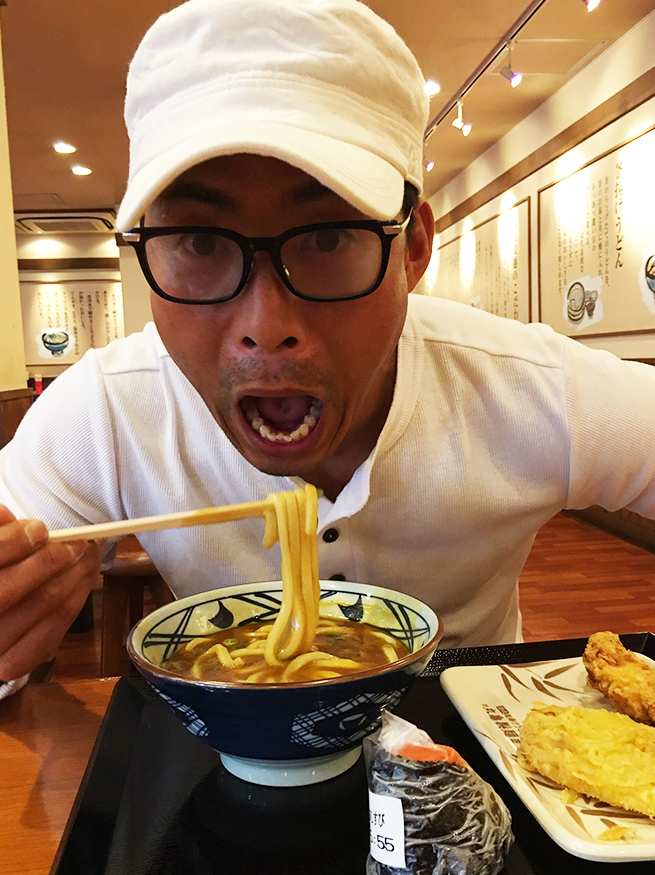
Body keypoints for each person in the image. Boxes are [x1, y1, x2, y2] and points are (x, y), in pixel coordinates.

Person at [2, 0, 655, 687]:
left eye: (326, 237)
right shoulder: (110, 408)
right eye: (198, 242)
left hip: (476, 732)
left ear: (413, 249)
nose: (264, 323)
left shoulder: (525, 383)